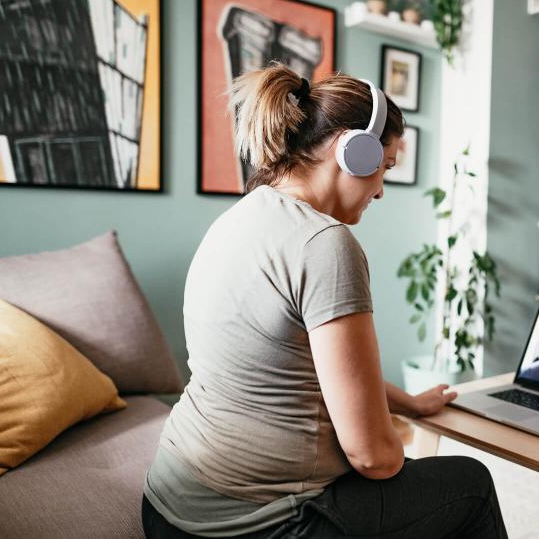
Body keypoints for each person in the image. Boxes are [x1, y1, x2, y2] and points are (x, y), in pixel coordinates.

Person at [141, 63, 507, 538]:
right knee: (469, 482)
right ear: (355, 151)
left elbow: (306, 365)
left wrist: (409, 406)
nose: (380, 190)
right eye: (386, 168)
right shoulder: (325, 243)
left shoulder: (239, 217)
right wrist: (397, 453)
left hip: (167, 506)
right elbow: (373, 457)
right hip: (254, 525)